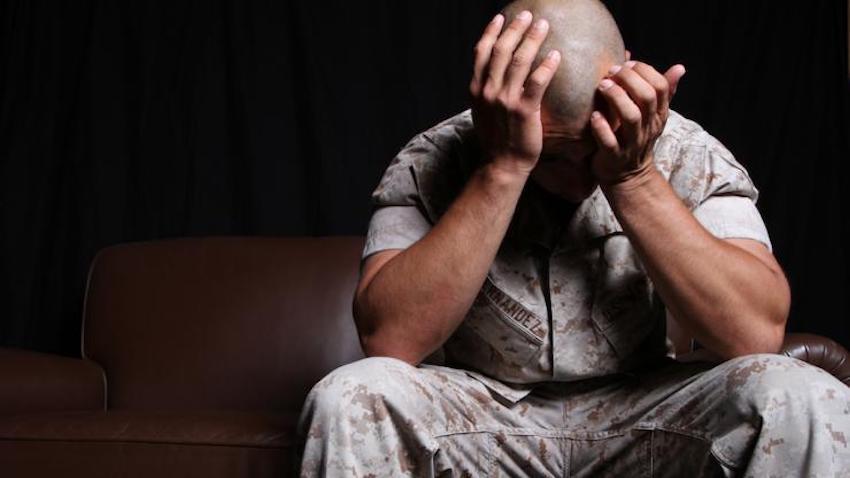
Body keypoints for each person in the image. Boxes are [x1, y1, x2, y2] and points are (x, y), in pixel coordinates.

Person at [298, 0, 850, 476]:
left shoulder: (691, 153)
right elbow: (390, 340)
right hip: (482, 422)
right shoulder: (433, 160)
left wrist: (634, 177)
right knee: (349, 398)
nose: (584, 176)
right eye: (558, 155)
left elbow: (754, 332)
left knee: (804, 395)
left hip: (649, 417)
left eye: (595, 146)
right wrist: (505, 167)